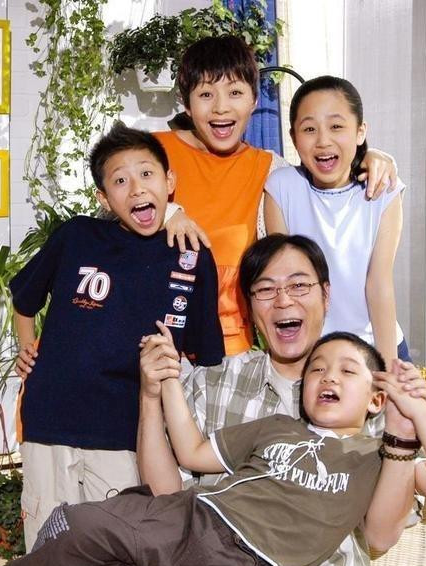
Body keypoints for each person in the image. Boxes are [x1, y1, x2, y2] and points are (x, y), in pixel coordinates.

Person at [0, 331, 426, 566]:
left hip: (246, 564)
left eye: (347, 371)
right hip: (192, 517)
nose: (328, 377)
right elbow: (192, 451)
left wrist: (420, 415)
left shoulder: (378, 457)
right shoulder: (277, 426)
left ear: (375, 399)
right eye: (317, 370)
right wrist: (169, 382)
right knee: (79, 525)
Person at [10, 122, 224, 551]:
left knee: (118, 556)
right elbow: (23, 298)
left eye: (146, 173)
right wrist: (27, 348)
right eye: (120, 180)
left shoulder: (192, 255)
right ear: (104, 198)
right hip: (49, 422)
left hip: (126, 435)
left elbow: (203, 356)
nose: (136, 188)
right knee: (47, 553)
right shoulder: (77, 237)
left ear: (169, 182)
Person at [156, 36, 399, 356]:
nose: (221, 107)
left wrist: (372, 156)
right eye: (205, 94)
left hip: (231, 349)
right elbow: (118, 197)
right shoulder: (153, 153)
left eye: (235, 93)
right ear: (187, 104)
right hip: (157, 340)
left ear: (254, 101)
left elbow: (322, 165)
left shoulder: (270, 169)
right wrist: (169, 212)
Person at [264, 76, 408, 370]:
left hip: (375, 347)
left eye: (336, 126)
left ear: (360, 131)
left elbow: (378, 284)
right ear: (293, 137)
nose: (323, 141)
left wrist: (387, 370)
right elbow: (285, 284)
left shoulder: (383, 190)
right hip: (313, 357)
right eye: (309, 129)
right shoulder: (281, 187)